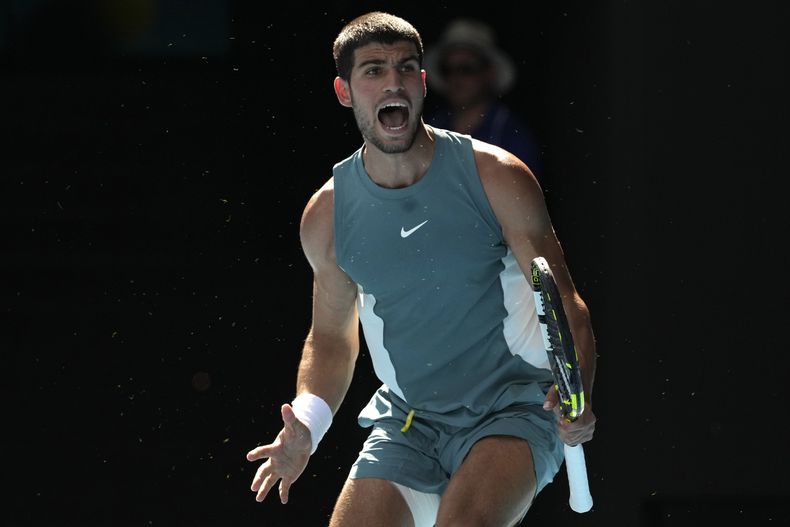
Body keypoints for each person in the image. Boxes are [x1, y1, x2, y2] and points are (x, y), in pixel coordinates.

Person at [246, 11, 597, 527]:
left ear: (422, 83)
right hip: (409, 420)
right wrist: (309, 424)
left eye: (406, 68)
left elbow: (567, 301)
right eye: (374, 71)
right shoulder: (326, 217)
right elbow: (332, 339)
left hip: (515, 408)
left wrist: (579, 387)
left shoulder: (497, 176)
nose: (393, 82)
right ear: (344, 92)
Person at [424, 18, 544, 181]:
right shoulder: (431, 127)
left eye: (467, 69)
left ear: (490, 73)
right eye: (447, 69)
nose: (455, 78)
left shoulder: (512, 135)